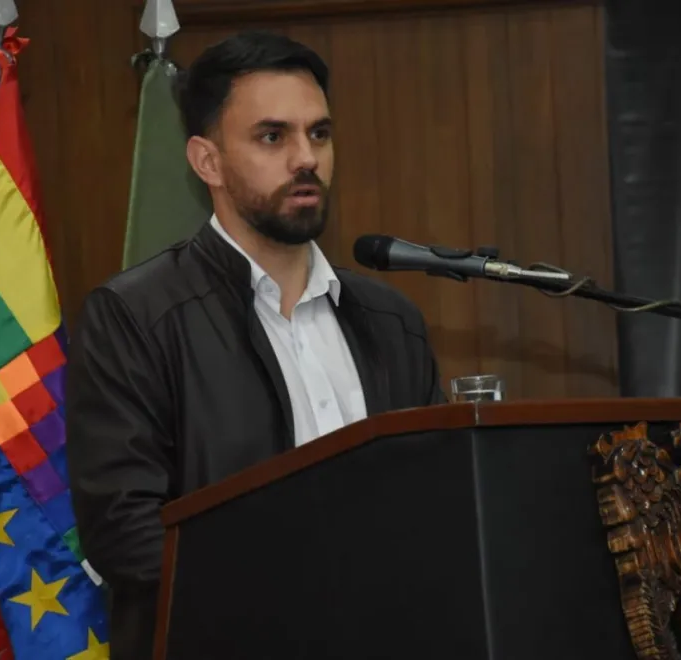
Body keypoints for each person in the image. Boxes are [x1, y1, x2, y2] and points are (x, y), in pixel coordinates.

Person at [65, 30, 446, 658]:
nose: (307, 159)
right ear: (206, 161)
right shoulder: (135, 316)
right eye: (274, 137)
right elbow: (128, 537)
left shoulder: (390, 320)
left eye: (319, 134)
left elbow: (435, 501)